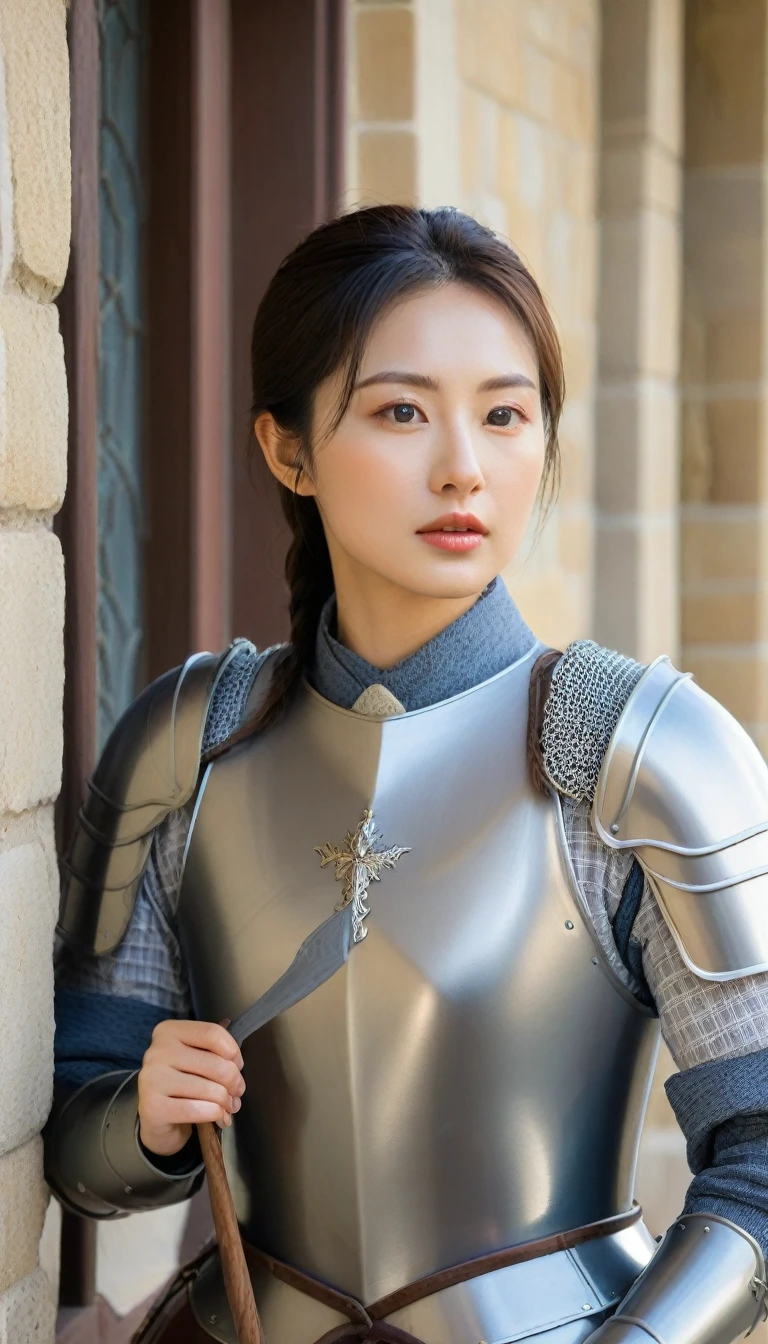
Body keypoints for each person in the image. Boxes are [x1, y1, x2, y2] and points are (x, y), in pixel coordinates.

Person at [47, 206, 768, 1344]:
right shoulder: (187, 747)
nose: (463, 468)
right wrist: (142, 1119)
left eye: (504, 415)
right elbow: (80, 1163)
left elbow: (764, 1160)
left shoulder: (638, 754)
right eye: (399, 412)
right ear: (288, 450)